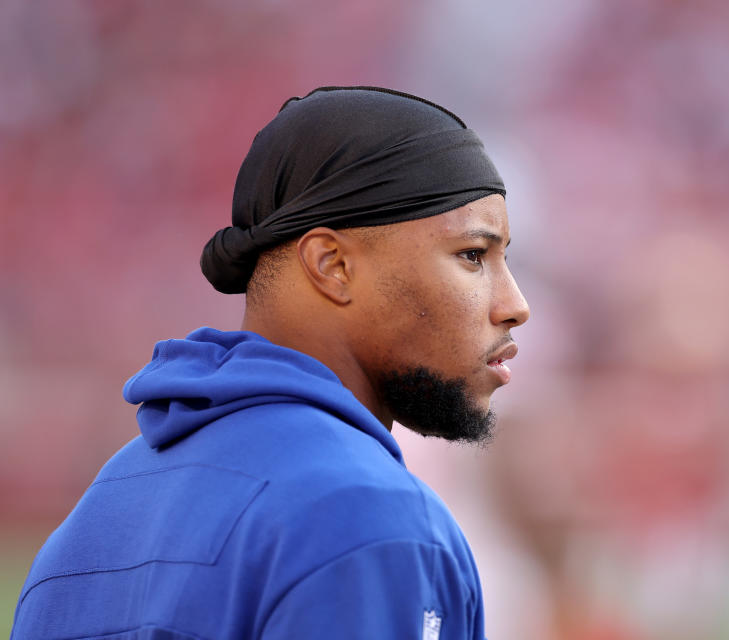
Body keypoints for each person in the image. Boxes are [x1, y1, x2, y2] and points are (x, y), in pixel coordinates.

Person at [12, 86, 530, 639]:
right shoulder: (367, 515)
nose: (515, 305)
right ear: (332, 264)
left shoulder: (98, 511)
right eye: (472, 256)